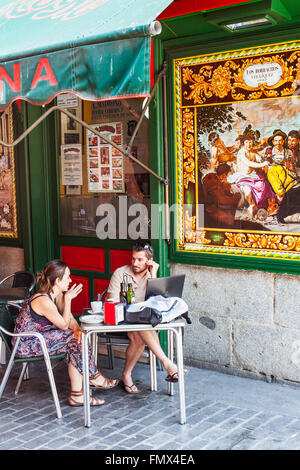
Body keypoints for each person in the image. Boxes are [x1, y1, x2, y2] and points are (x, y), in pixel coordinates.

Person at [12, 260, 118, 407]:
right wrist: (68, 300)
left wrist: (77, 330)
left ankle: (79, 394)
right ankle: (93, 377)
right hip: (25, 344)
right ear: (58, 281)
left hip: (41, 339)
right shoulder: (43, 300)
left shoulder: (56, 295)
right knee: (72, 339)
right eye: (67, 277)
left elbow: (70, 320)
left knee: (76, 340)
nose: (70, 280)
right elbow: (63, 325)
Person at [106, 241, 187, 393]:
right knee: (140, 330)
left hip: (143, 322)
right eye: (133, 258)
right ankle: (167, 363)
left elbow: (155, 303)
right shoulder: (120, 273)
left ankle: (127, 375)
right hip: (123, 319)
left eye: (140, 260)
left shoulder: (151, 275)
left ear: (149, 260)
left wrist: (153, 275)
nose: (135, 263)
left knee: (139, 335)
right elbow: (111, 301)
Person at [227, 132, 272, 216]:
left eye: (250, 142)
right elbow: (249, 163)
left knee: (263, 185)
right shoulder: (241, 152)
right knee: (248, 191)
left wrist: (265, 160)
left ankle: (261, 208)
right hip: (242, 176)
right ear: (244, 143)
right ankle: (251, 207)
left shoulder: (253, 152)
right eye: (247, 142)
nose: (249, 144)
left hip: (253, 176)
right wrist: (263, 164)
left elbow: (260, 159)